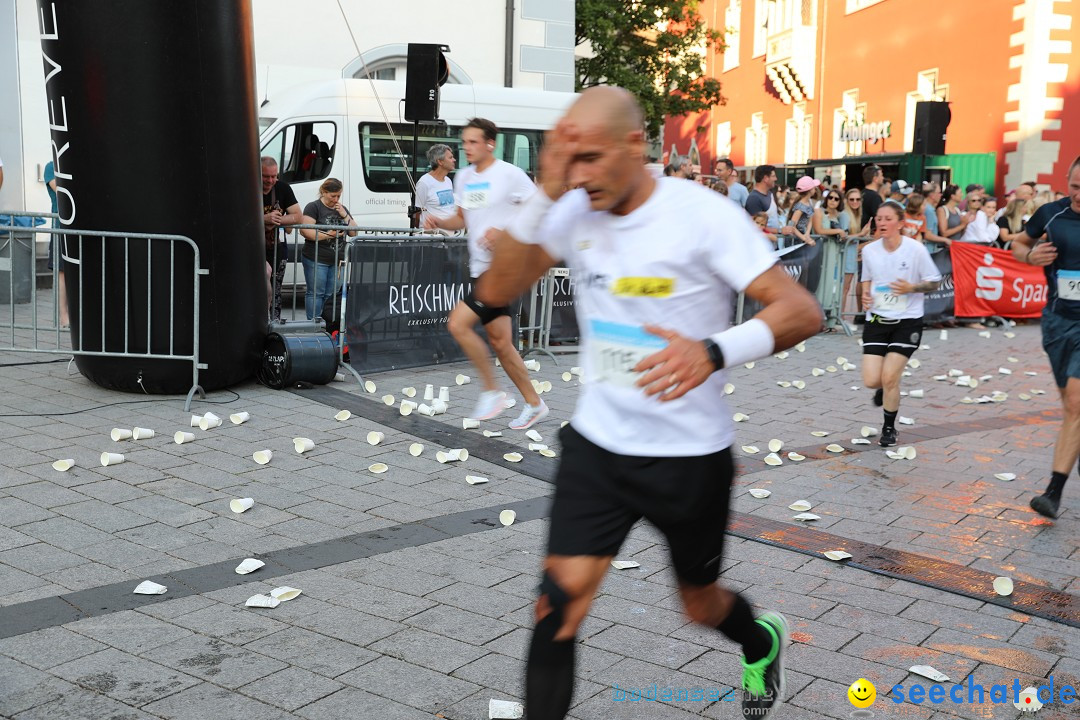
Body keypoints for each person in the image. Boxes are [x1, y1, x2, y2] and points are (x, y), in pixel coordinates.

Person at [477, 86, 821, 720]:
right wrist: (545, 195)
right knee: (557, 604)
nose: (579, 175)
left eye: (591, 158)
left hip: (687, 457)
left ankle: (759, 638)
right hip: (598, 449)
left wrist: (714, 351)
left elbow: (801, 311)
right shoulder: (572, 207)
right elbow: (495, 291)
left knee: (700, 604)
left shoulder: (702, 214)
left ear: (637, 145)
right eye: (568, 160)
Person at [424, 118, 547, 428]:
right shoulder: (464, 177)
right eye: (464, 142)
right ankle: (535, 403)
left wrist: (503, 230)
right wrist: (439, 221)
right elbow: (461, 219)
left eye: (473, 142)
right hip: (480, 268)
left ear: (490, 143)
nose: (467, 148)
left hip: (504, 269)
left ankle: (493, 392)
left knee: (458, 323)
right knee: (502, 344)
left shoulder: (509, 174)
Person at [1013, 156, 1080, 519]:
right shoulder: (1051, 214)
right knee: (1071, 401)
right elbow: (1018, 244)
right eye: (1075, 186)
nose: (1079, 194)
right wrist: (1030, 256)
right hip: (1057, 321)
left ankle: (1053, 492)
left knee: (1074, 403)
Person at [860, 201, 942, 447]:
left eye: (887, 219)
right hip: (876, 319)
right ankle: (883, 390)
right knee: (872, 380)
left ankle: (888, 428)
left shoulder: (915, 250)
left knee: (890, 377)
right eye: (878, 218)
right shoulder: (870, 250)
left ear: (900, 223)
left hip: (907, 321)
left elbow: (934, 282)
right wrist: (865, 295)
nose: (882, 223)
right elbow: (867, 278)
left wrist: (911, 287)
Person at [299, 178, 356, 320]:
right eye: (333, 196)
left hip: (338, 260)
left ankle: (327, 324)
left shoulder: (341, 209)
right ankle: (314, 324)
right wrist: (328, 235)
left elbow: (354, 232)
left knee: (332, 294)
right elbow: (306, 231)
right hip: (316, 258)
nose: (336, 199)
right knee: (316, 293)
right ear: (324, 192)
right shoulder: (313, 207)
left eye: (339, 195)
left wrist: (345, 214)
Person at [262, 157, 303, 321]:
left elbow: (298, 216)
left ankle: (274, 326)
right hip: (253, 249)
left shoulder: (283, 188)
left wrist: (276, 220)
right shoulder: (247, 186)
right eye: (266, 176)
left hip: (278, 250)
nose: (270, 181)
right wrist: (264, 218)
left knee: (276, 291)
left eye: (274, 176)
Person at [43, 161, 68, 326]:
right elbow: (61, 191)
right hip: (60, 227)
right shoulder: (51, 166)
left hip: (81, 227)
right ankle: (64, 316)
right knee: (63, 272)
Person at [415, 143, 458, 229]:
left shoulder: (448, 181)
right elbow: (417, 212)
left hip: (450, 235)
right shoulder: (424, 182)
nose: (454, 160)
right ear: (440, 161)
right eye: (450, 157)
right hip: (432, 237)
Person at [784, 177, 819, 246]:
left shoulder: (809, 203)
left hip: (801, 238)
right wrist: (805, 239)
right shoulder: (800, 207)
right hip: (795, 241)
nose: (815, 189)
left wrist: (807, 234)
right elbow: (792, 226)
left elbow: (810, 219)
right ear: (810, 190)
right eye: (814, 187)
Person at [745, 165, 781, 232]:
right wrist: (779, 231)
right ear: (765, 178)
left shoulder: (770, 194)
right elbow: (755, 226)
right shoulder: (754, 198)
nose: (776, 179)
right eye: (773, 176)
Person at [921, 182, 949, 253]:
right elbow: (928, 235)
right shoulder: (929, 210)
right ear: (932, 195)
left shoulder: (927, 208)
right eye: (939, 192)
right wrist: (945, 240)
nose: (941, 195)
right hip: (929, 250)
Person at [861, 165, 885, 234]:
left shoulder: (861, 193)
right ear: (875, 179)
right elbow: (880, 218)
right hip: (870, 235)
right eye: (881, 175)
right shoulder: (875, 197)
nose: (883, 178)